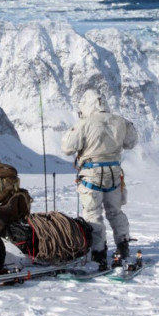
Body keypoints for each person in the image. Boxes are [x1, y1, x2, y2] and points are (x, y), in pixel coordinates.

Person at [61, 89, 137, 269]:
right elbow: (131, 142)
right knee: (115, 211)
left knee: (93, 214)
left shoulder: (85, 123)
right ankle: (123, 245)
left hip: (91, 174)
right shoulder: (119, 121)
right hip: (114, 174)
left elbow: (67, 147)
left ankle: (99, 253)